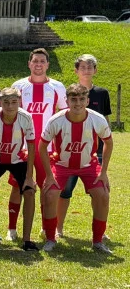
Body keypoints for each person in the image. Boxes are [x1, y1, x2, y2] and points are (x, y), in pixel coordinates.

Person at [38, 84, 112, 254]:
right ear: (67, 100)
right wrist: (49, 175)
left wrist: (103, 172)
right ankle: (50, 238)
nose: (77, 103)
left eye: (81, 99)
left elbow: (108, 142)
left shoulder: (97, 119)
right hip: (61, 165)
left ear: (87, 101)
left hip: (89, 165)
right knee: (49, 193)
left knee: (103, 195)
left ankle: (98, 241)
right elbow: (42, 147)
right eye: (73, 99)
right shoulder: (56, 120)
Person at [6, 48, 67, 241]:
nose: (38, 64)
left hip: (48, 150)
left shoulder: (58, 87)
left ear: (47, 65)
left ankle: (44, 227)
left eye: (42, 61)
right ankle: (12, 229)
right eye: (35, 61)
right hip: (22, 148)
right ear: (29, 64)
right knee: (17, 187)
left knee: (47, 188)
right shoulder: (19, 86)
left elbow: (64, 117)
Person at [57, 54, 111, 238]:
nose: (86, 70)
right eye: (82, 67)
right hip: (70, 152)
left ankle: (100, 233)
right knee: (64, 191)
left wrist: (104, 147)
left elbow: (106, 122)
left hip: (95, 153)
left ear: (95, 70)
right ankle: (58, 228)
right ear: (76, 70)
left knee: (99, 191)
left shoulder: (102, 93)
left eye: (90, 67)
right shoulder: (70, 92)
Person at [0, 87, 37, 250]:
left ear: (19, 102)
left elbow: (31, 146)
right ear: (0, 102)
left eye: (14, 102)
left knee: (30, 190)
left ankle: (27, 240)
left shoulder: (26, 117)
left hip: (18, 159)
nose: (10, 106)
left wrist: (30, 176)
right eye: (6, 102)